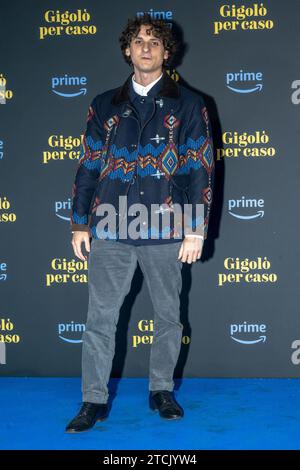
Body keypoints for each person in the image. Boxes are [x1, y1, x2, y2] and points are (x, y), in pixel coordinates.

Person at [65, 13, 215, 433]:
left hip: (167, 228)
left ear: (167, 52)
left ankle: (161, 390)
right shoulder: (102, 105)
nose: (146, 47)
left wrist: (195, 227)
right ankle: (92, 400)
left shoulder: (190, 104)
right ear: (127, 50)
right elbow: (88, 166)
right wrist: (79, 224)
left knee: (169, 316)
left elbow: (200, 169)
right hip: (111, 227)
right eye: (138, 41)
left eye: (154, 41)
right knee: (99, 320)